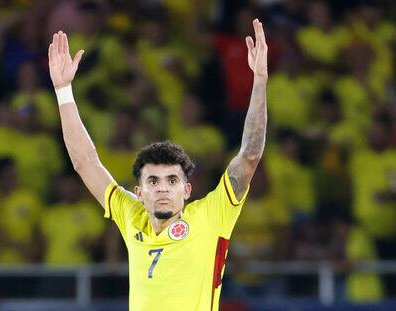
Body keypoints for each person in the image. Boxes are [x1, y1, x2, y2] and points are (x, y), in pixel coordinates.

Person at [48, 18, 267, 311]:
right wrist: (63, 92)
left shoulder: (211, 216)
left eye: (172, 180)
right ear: (139, 191)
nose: (163, 188)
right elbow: (85, 162)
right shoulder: (132, 217)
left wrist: (260, 82)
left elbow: (249, 156)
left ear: (187, 189)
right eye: (153, 181)